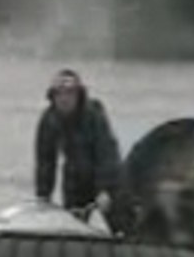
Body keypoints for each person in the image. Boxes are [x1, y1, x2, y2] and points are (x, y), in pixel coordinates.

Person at [35, 69, 127, 230]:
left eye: (70, 94)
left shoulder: (93, 116)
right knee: (72, 226)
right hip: (74, 179)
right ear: (53, 97)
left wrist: (104, 189)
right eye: (59, 94)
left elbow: (106, 153)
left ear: (78, 96)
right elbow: (45, 161)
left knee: (120, 224)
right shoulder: (49, 120)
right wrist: (43, 196)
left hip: (105, 177)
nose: (64, 99)